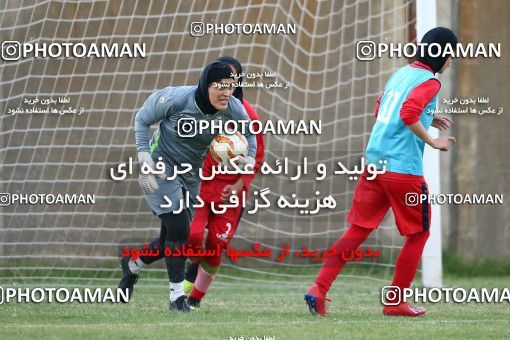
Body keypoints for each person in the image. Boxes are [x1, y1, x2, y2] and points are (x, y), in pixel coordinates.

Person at [304, 27, 458, 317]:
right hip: (402, 169)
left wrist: (430, 115)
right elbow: (407, 114)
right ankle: (395, 301)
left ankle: (319, 288)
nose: (452, 60)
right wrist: (433, 140)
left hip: (375, 163)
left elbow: (382, 109)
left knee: (358, 230)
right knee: (419, 234)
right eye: (452, 53)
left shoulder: (400, 74)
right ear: (442, 53)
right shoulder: (430, 82)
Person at [118, 61, 257, 312]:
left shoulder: (233, 107)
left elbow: (251, 134)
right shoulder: (177, 98)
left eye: (231, 87)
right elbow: (142, 118)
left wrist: (248, 159)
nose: (227, 93)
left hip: (191, 174)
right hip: (161, 165)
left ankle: (131, 266)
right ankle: (176, 298)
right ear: (205, 85)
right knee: (181, 229)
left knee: (168, 239)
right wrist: (143, 156)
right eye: (221, 87)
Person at [183, 56, 265, 308]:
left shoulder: (246, 113)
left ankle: (194, 299)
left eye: (230, 78)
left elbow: (257, 154)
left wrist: (240, 186)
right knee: (193, 236)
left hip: (229, 192)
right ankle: (188, 275)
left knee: (216, 245)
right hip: (200, 186)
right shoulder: (195, 108)